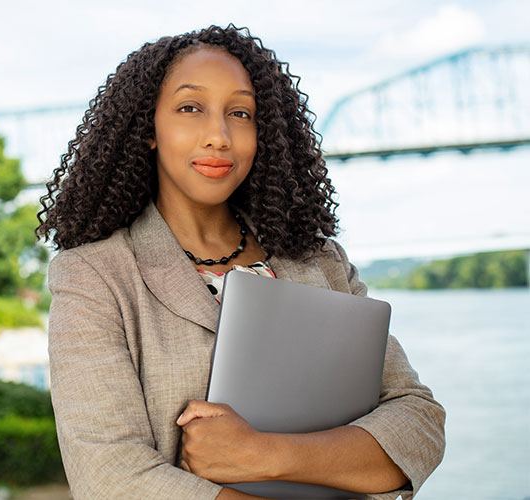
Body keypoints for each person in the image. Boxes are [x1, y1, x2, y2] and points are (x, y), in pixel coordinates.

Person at [36, 25, 446, 500]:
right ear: (148, 129)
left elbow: (419, 424)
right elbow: (110, 476)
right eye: (191, 108)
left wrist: (262, 454)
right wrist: (343, 462)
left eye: (240, 113)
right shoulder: (94, 275)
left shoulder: (322, 261)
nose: (219, 135)